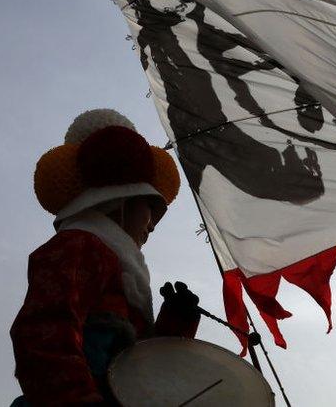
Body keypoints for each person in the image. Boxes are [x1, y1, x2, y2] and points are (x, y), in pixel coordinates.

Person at [10, 109, 200, 406]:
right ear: (121, 203)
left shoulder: (118, 268)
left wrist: (174, 328)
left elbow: (136, 367)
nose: (152, 224)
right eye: (151, 209)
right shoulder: (79, 246)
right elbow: (41, 333)